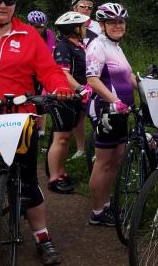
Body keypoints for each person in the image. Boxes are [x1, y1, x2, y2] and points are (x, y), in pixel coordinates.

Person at [0, 0, 73, 265]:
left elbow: (48, 69)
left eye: (9, 0)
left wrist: (57, 86)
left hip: (21, 118)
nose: (3, 5)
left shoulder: (28, 36)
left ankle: (42, 237)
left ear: (16, 4)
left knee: (27, 181)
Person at [86, 2, 136, 226]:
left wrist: (154, 86)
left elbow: (129, 79)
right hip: (107, 110)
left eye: (121, 21)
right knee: (103, 162)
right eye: (112, 22)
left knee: (115, 160)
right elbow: (93, 80)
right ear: (102, 25)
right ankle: (97, 211)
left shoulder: (116, 46)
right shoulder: (98, 45)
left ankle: (106, 203)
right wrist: (114, 100)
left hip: (121, 111)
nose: (117, 25)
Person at [46, 11, 91, 194]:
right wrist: (81, 88)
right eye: (83, 26)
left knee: (66, 137)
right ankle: (53, 178)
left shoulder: (79, 46)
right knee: (61, 138)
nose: (86, 29)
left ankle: (61, 172)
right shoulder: (64, 47)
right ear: (74, 29)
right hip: (62, 97)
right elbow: (63, 73)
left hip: (74, 99)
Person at [69, 0, 98, 160]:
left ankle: (97, 147)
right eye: (83, 6)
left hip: (94, 72)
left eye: (89, 7)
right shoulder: (69, 24)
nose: (86, 9)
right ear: (74, 8)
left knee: (96, 111)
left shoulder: (97, 26)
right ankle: (80, 149)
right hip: (76, 73)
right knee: (79, 113)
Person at [27, 10, 56, 137]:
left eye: (41, 26)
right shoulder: (25, 33)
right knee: (27, 97)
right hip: (27, 69)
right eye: (36, 26)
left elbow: (48, 52)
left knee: (40, 98)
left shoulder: (48, 34)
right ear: (30, 25)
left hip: (40, 69)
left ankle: (41, 129)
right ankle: (28, 123)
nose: (39, 29)